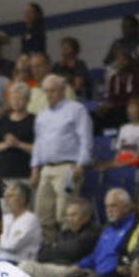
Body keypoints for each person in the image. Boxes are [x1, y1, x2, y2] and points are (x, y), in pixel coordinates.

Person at [30, 75, 94, 242]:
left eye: (53, 91)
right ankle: (50, 251)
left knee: (64, 215)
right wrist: (35, 168)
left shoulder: (76, 109)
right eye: (46, 91)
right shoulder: (42, 115)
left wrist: (81, 164)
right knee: (42, 214)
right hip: (46, 168)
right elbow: (38, 142)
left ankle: (67, 250)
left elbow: (85, 138)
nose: (49, 95)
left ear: (62, 91)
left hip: (68, 167)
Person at [0, 181, 43, 264]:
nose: (6, 200)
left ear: (22, 199)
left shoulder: (30, 219)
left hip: (20, 263)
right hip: (1, 260)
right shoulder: (6, 218)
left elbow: (13, 246)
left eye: (10, 196)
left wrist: (0, 239)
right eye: (6, 196)